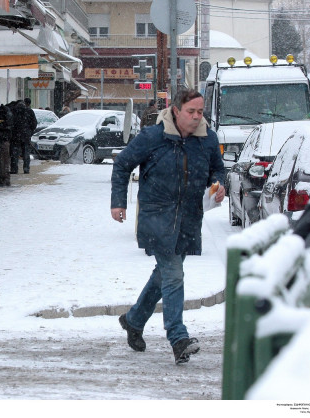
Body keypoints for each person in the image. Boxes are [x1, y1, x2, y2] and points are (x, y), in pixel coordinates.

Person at [110, 89, 225, 364]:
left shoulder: (207, 139)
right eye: (191, 112)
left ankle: (134, 320)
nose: (197, 118)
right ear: (176, 111)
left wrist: (218, 186)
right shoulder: (154, 137)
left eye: (200, 112)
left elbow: (217, 169)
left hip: (188, 217)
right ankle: (178, 338)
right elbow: (123, 165)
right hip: (156, 216)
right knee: (173, 274)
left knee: (163, 275)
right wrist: (118, 203)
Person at [9, 99, 37, 174]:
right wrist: (30, 132)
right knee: (26, 152)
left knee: (14, 153)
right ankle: (26, 168)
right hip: (26, 135)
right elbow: (34, 123)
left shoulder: (13, 111)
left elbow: (10, 122)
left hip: (15, 135)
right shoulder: (29, 111)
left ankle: (14, 169)